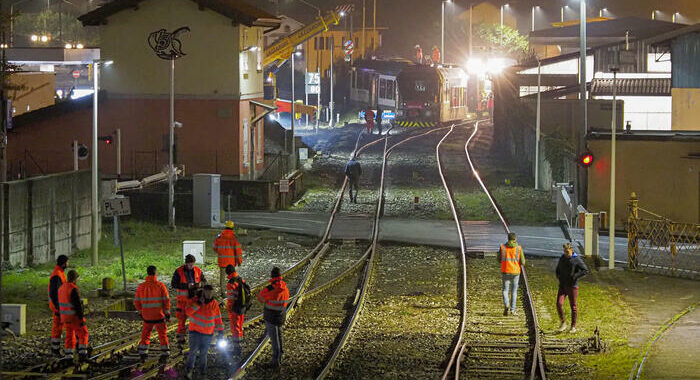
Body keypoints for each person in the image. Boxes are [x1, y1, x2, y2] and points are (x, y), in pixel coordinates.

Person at [184, 285, 225, 380]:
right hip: (195, 332)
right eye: (207, 292)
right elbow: (188, 312)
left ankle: (202, 373)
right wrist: (198, 303)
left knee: (203, 354)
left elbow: (218, 319)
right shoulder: (195, 300)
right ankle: (189, 371)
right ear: (203, 292)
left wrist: (221, 332)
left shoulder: (214, 304)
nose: (209, 294)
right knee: (193, 352)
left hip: (207, 334)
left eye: (211, 292)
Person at [134, 265, 171, 363]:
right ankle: (165, 352)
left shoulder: (141, 287)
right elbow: (166, 301)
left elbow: (136, 302)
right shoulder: (160, 286)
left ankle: (143, 352)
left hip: (147, 316)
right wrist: (167, 313)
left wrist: (140, 312)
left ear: (147, 273)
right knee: (162, 334)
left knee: (146, 334)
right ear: (155, 273)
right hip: (159, 315)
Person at [257, 267, 290, 368]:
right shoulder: (285, 287)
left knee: (274, 338)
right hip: (281, 315)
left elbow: (260, 298)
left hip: (270, 317)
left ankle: (275, 361)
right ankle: (280, 355)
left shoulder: (269, 289)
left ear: (272, 276)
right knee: (279, 336)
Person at [172, 254, 207, 347]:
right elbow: (174, 284)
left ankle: (195, 340)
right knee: (181, 321)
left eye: (192, 264)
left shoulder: (198, 271)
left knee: (196, 321)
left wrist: (200, 284)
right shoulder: (178, 271)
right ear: (186, 263)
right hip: (182, 302)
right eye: (190, 265)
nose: (191, 266)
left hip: (194, 301)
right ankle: (180, 340)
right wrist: (187, 286)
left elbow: (205, 282)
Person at [556, 242, 589, 333]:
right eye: (565, 252)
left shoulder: (576, 259)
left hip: (572, 286)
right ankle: (563, 323)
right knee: (559, 303)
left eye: (567, 252)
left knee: (573, 306)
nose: (566, 254)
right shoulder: (562, 258)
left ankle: (573, 326)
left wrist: (575, 276)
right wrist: (558, 275)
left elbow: (585, 270)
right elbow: (558, 268)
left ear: (572, 251)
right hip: (562, 285)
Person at [58, 270, 88, 362]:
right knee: (83, 333)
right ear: (75, 279)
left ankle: (68, 355)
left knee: (70, 335)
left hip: (64, 317)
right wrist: (81, 317)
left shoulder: (61, 288)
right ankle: (83, 354)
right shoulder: (73, 288)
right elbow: (77, 305)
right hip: (74, 316)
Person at [225, 264, 247, 370]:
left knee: (235, 328)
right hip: (242, 307)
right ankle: (239, 346)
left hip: (235, 309)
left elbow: (230, 299)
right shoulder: (241, 279)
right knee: (240, 327)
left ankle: (237, 348)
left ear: (228, 274)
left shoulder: (231, 283)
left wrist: (229, 308)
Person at [498, 232, 525, 316]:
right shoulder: (519, 248)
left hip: (505, 271)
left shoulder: (502, 247)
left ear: (508, 238)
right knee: (514, 291)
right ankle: (513, 310)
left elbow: (499, 259)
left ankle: (506, 304)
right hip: (515, 272)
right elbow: (523, 262)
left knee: (505, 290)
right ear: (515, 239)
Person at [213, 221, 243, 296]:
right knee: (233, 278)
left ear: (225, 227)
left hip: (222, 262)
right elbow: (238, 251)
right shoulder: (234, 238)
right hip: (231, 263)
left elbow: (215, 248)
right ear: (232, 228)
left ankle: (223, 293)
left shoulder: (220, 237)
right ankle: (233, 291)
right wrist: (239, 261)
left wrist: (220, 252)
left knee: (222, 278)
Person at [48, 254, 69, 356]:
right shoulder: (57, 274)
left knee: (59, 326)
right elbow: (54, 293)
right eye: (67, 262)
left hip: (59, 304)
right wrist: (58, 306)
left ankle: (56, 349)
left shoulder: (59, 272)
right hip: (58, 305)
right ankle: (55, 350)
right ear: (64, 263)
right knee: (57, 327)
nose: (68, 264)